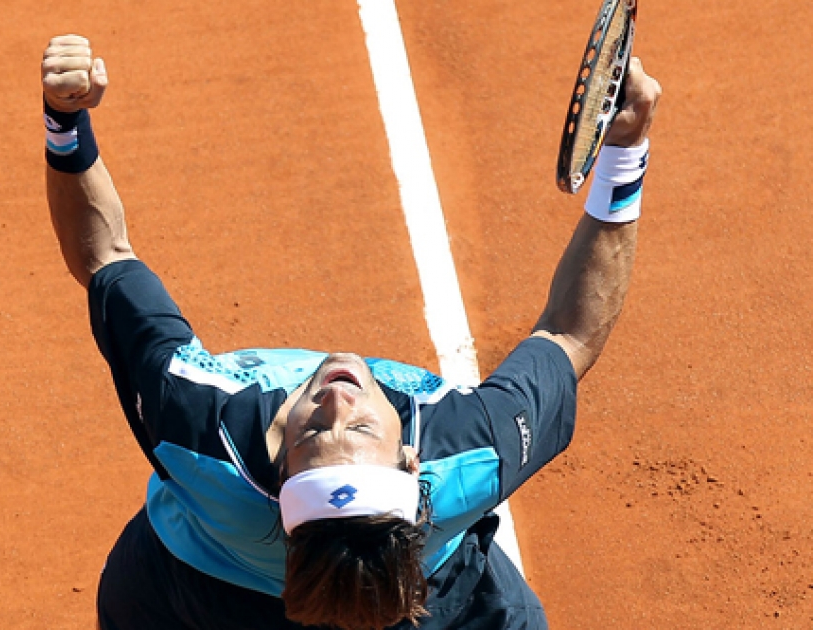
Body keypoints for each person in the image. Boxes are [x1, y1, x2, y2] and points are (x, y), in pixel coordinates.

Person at [41, 34, 660, 630]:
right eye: (358, 426)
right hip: (421, 605)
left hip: (191, 598)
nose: (338, 397)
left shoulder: (197, 424)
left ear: (281, 470)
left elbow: (105, 257)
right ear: (415, 466)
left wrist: (65, 124)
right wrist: (625, 149)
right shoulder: (471, 451)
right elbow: (570, 336)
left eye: (316, 429)